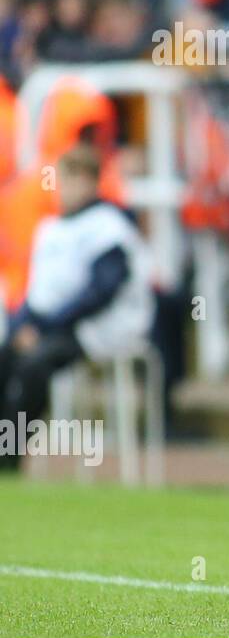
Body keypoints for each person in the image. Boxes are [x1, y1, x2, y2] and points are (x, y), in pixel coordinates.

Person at [0, 144, 154, 471]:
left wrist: (46, 326)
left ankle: (9, 456)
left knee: (34, 366)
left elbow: (101, 292)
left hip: (101, 328)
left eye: (67, 180)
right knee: (6, 355)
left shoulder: (108, 226)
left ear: (87, 181)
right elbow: (39, 292)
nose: (59, 189)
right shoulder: (51, 228)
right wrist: (21, 326)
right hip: (58, 325)